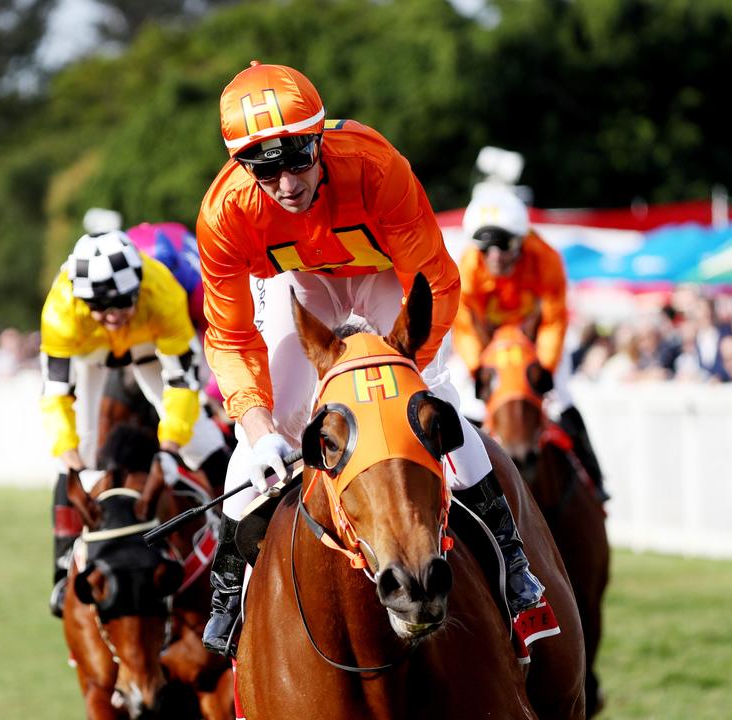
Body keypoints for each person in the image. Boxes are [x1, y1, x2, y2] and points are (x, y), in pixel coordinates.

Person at [195, 61, 543, 655]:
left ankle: (512, 559)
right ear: (240, 167)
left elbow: (434, 279)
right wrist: (256, 430)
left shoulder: (376, 167)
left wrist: (409, 374)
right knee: (270, 424)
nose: (285, 184)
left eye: (297, 157)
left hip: (385, 278)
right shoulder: (224, 213)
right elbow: (229, 337)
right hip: (298, 283)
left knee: (431, 405)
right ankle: (230, 590)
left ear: (319, 138)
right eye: (263, 168)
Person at [40, 230, 231, 618]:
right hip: (90, 354)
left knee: (201, 438)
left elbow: (181, 383)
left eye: (120, 303)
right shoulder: (60, 310)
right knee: (77, 457)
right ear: (80, 298)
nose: (111, 315)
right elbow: (56, 396)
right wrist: (73, 459)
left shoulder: (163, 292)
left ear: (138, 288)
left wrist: (170, 448)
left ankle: (238, 545)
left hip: (149, 347)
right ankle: (62, 568)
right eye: (98, 306)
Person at [451, 185, 607, 495]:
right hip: (490, 347)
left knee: (562, 397)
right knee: (463, 401)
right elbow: (464, 323)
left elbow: (553, 318)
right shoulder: (468, 266)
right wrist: (475, 368)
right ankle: (463, 487)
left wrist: (546, 365)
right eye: (485, 247)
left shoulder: (545, 258)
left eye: (503, 244)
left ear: (521, 240)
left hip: (535, 342)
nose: (494, 256)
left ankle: (594, 478)